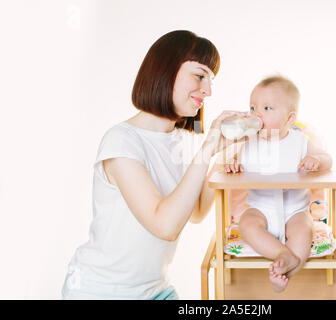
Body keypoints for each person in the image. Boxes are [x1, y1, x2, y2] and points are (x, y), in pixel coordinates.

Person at [61, 30, 246, 300]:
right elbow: (165, 225)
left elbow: (194, 211)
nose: (207, 90)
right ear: (166, 69)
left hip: (155, 291)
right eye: (199, 75)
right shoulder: (121, 141)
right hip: (99, 291)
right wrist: (207, 151)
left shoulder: (182, 141)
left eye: (211, 80)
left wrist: (224, 154)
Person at [224, 75, 333, 292]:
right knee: (247, 225)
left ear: (289, 118)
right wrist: (232, 166)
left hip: (295, 210)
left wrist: (316, 160)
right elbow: (233, 163)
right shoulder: (249, 142)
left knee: (304, 231)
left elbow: (327, 159)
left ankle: (285, 271)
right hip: (259, 209)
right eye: (253, 107)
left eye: (266, 108)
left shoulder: (301, 141)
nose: (257, 114)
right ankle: (282, 255)